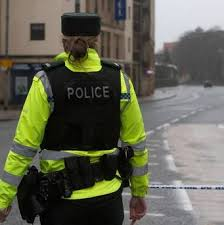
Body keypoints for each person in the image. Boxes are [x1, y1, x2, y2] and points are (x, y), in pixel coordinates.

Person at [0, 12, 149, 225]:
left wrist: (3, 200)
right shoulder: (120, 80)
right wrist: (139, 191)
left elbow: (23, 148)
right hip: (108, 204)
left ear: (64, 42)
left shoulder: (46, 82)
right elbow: (137, 143)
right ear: (97, 41)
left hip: (62, 204)